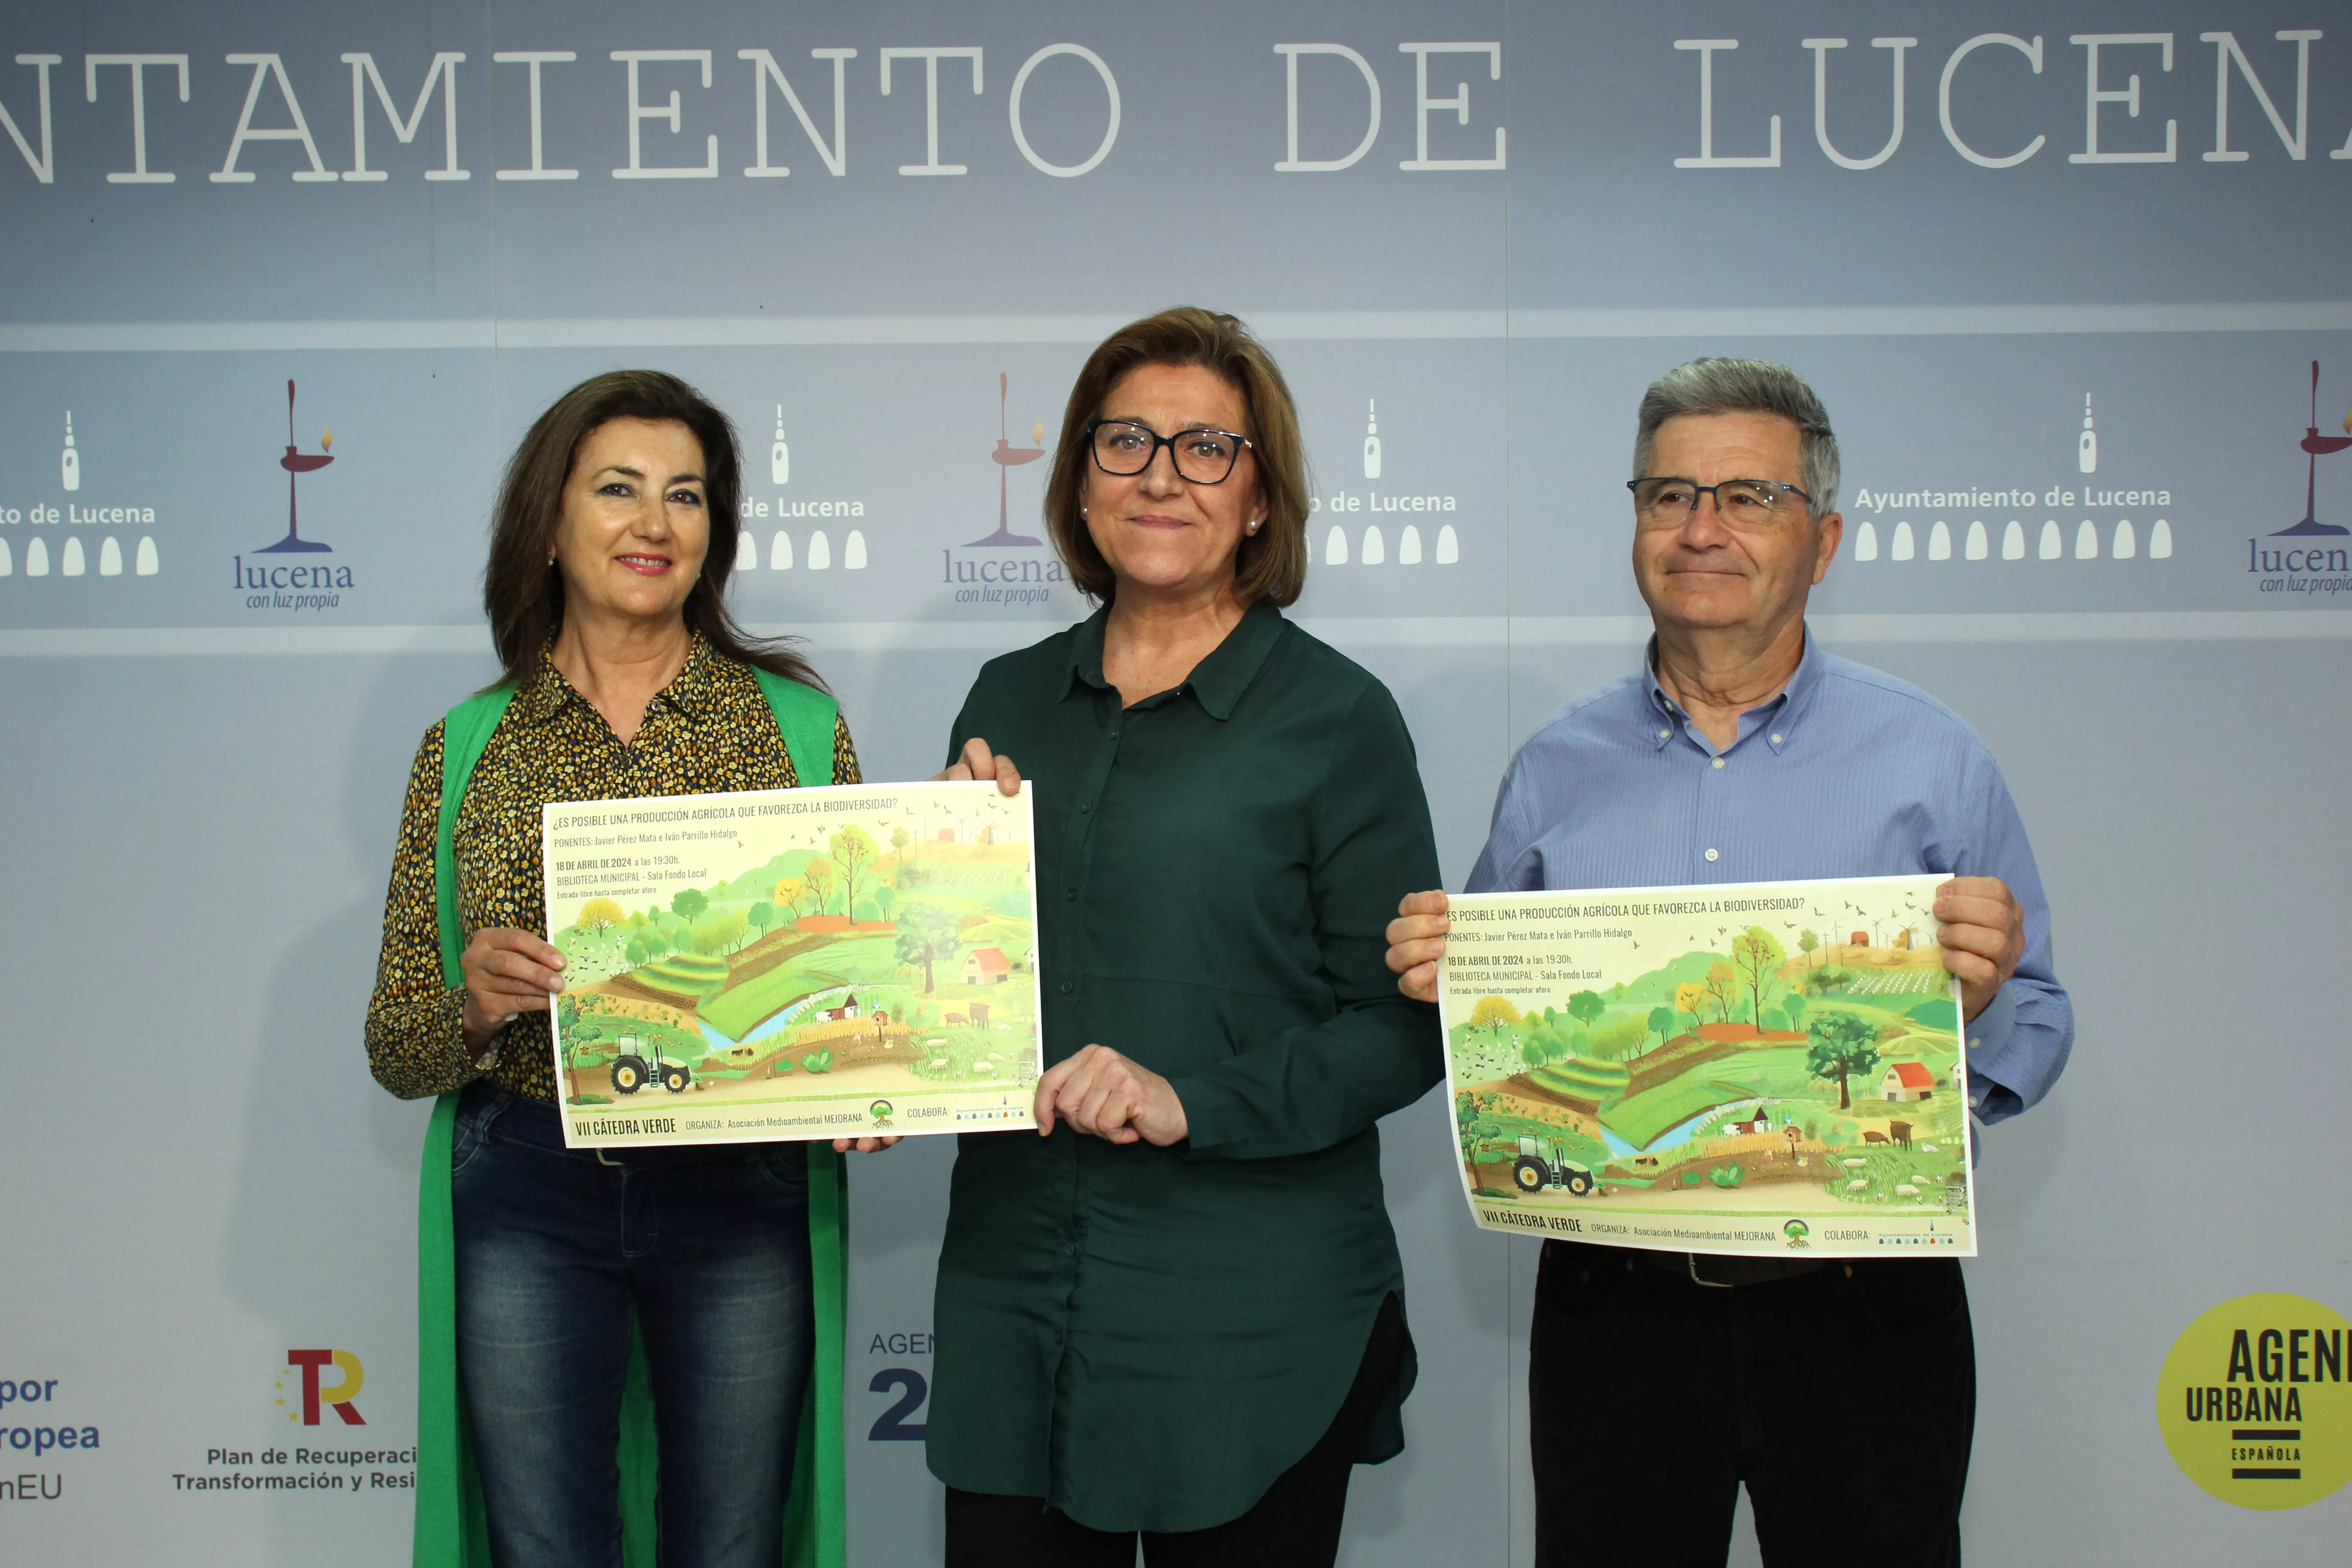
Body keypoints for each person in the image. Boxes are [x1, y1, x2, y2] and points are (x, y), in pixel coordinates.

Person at [1385, 358, 2073, 1568]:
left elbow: (2040, 1019)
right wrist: (1449, 987)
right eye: (1670, 495)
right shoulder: (1555, 769)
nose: (1703, 529)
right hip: (1616, 1307)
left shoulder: (1931, 758)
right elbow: (1495, 1042)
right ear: (1638, 523)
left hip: (1867, 1296)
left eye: (1749, 497)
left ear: (1826, 539)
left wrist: (1952, 1023)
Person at [924, 307, 1443, 1567]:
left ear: (1262, 500)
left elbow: (1402, 1030)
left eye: (1208, 448)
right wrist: (924, 916)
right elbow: (952, 995)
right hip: (1017, 1293)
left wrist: (1187, 1099)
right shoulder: (1007, 699)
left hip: (1250, 1311)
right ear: (1079, 483)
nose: (1161, 476)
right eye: (1125, 443)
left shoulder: (1339, 719)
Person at [365, 370, 884, 1568]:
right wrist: (473, 1006)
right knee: (545, 1546)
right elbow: (398, 1047)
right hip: (529, 1187)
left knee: (735, 1542)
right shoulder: (465, 749)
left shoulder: (797, 730)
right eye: (618, 490)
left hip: (743, 1186)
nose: (654, 524)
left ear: (716, 534)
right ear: (550, 522)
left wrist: (871, 1069)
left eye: (687, 497)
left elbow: (859, 983)